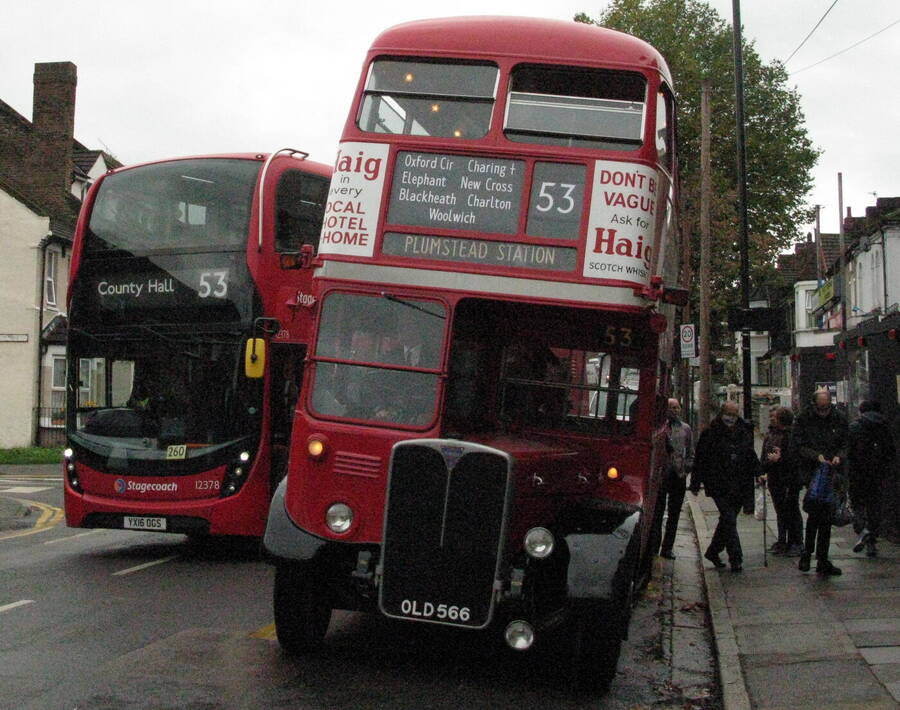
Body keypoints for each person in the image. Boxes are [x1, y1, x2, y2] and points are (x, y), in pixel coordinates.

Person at [690, 401, 758, 572]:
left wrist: (759, 472)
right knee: (729, 519)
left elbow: (750, 454)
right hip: (718, 483)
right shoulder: (710, 433)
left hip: (740, 484)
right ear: (722, 413)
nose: (731, 418)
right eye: (728, 414)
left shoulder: (744, 431)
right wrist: (695, 483)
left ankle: (713, 551)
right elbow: (701, 459)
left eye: (734, 414)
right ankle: (736, 558)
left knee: (727, 521)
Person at [791, 389, 848, 576]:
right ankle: (809, 555)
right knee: (816, 515)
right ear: (814, 404)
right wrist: (817, 456)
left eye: (827, 406)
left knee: (826, 517)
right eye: (821, 407)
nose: (824, 411)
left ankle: (819, 558)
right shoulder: (804, 419)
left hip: (832, 473)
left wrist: (839, 456)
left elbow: (846, 442)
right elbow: (797, 445)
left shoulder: (838, 418)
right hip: (813, 473)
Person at [848, 399, 896, 557]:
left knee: (857, 505)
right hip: (878, 474)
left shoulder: (855, 427)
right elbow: (891, 451)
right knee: (875, 507)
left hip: (858, 474)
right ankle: (871, 541)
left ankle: (863, 530)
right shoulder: (885, 426)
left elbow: (848, 451)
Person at [760, 406, 803, 556]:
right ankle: (783, 540)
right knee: (780, 511)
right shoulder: (771, 434)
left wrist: (780, 459)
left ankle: (796, 542)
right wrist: (763, 470)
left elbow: (795, 458)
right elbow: (765, 455)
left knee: (791, 510)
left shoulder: (791, 435)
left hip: (789, 479)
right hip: (775, 477)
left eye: (774, 416)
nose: (771, 418)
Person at [656, 398, 694, 559]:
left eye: (677, 407)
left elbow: (690, 451)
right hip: (661, 475)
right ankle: (654, 544)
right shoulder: (660, 428)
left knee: (674, 513)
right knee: (658, 511)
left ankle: (667, 547)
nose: (675, 410)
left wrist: (686, 467)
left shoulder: (685, 429)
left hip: (678, 475)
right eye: (672, 407)